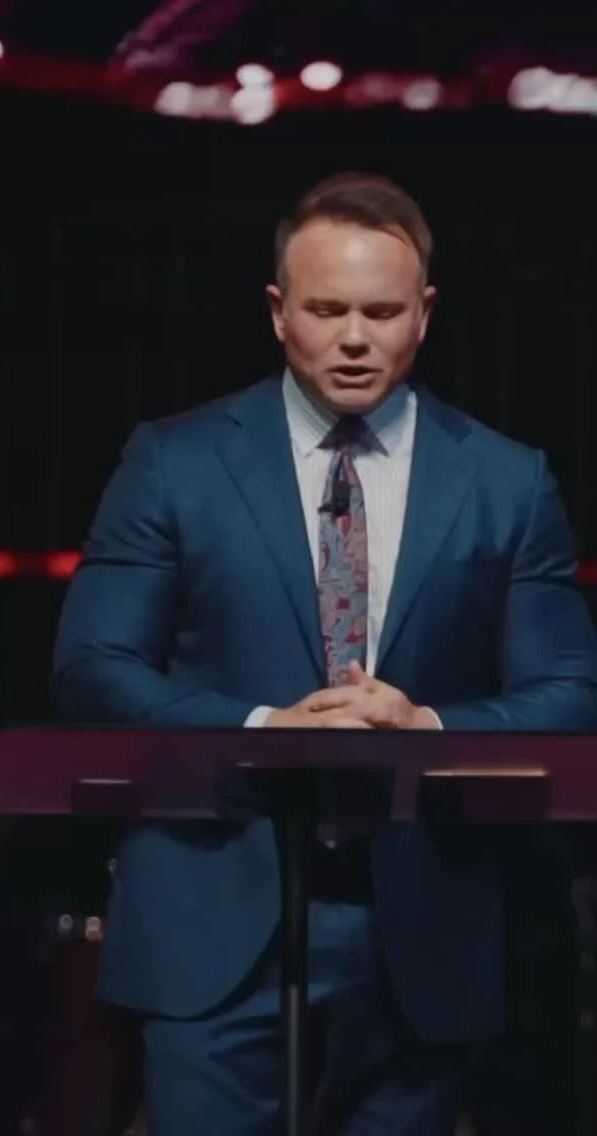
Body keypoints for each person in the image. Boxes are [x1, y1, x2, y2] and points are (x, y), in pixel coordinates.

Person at [52, 171, 597, 1134]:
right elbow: (92, 668)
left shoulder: (508, 482)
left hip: (421, 932)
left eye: (380, 312)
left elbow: (569, 691)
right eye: (326, 309)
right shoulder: (174, 461)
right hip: (212, 924)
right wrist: (267, 728)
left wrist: (425, 726)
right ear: (278, 312)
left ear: (424, 315)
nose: (354, 337)